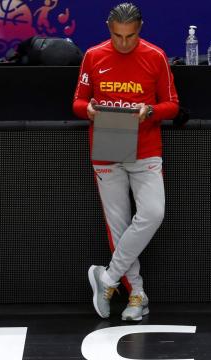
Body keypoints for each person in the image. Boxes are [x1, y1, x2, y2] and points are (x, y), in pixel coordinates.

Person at [72, 2, 179, 321]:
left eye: (130, 36)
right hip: (108, 143)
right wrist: (87, 111)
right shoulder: (93, 55)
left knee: (153, 212)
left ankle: (106, 277)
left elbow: (172, 105)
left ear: (140, 29)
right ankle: (136, 294)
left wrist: (151, 112)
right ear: (109, 28)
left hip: (146, 145)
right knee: (118, 228)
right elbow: (77, 101)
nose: (123, 43)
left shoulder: (155, 56)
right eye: (117, 36)